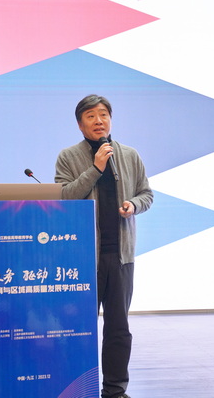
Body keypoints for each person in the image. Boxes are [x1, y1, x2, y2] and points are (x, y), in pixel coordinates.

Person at [55, 94, 153, 398]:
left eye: (103, 115)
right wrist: (96, 168)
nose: (99, 121)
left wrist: (133, 204)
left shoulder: (130, 155)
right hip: (83, 258)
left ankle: (115, 391)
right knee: (78, 328)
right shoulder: (68, 157)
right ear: (80, 124)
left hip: (121, 257)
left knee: (118, 329)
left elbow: (146, 194)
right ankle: (77, 389)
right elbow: (64, 196)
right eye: (91, 116)